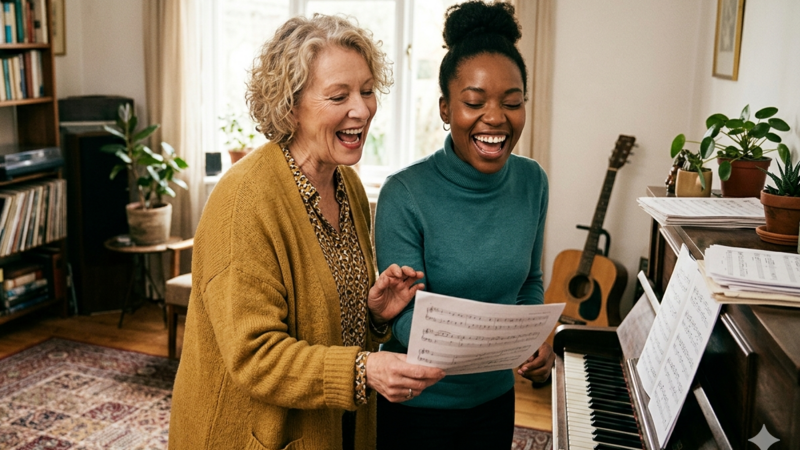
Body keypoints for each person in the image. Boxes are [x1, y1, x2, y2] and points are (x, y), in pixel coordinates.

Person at [169, 14, 445, 450]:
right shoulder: (244, 200)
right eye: (339, 95)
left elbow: (321, 319)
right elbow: (255, 355)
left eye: (368, 91)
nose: (362, 109)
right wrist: (365, 370)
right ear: (289, 104)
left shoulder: (346, 183)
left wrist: (371, 314)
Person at [374, 1, 555, 448]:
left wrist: (534, 338)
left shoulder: (533, 181)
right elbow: (401, 317)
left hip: (495, 401)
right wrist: (500, 346)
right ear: (444, 108)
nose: (495, 118)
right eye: (474, 102)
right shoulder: (404, 193)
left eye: (512, 103)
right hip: (417, 405)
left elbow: (529, 282)